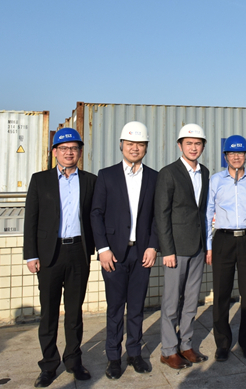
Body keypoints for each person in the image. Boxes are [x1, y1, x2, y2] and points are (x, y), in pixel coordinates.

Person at [23, 128, 97, 387]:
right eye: (64, 148)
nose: (69, 152)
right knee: (49, 313)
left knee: (74, 312)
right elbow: (31, 219)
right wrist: (31, 255)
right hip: (49, 254)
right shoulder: (40, 180)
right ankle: (48, 365)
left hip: (78, 252)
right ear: (54, 151)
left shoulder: (90, 181)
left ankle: (74, 361)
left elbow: (95, 217)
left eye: (74, 148)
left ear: (80, 152)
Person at [90, 121, 159, 379]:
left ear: (146, 147)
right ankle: (113, 357)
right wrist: (103, 249)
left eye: (140, 144)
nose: (134, 148)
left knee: (137, 308)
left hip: (142, 253)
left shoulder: (154, 177)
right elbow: (96, 214)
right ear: (121, 145)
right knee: (115, 308)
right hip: (114, 254)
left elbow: (157, 217)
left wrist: (153, 246)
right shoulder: (106, 175)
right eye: (130, 143)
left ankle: (134, 353)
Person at [206, 134, 246, 362]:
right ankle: (222, 344)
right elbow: (208, 213)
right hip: (222, 240)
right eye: (231, 153)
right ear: (225, 156)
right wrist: (208, 246)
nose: (236, 157)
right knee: (221, 294)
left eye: (240, 153)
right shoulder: (216, 180)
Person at [155, 123, 210, 370]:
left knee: (191, 301)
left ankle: (186, 345)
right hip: (176, 250)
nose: (193, 147)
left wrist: (207, 245)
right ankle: (168, 350)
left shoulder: (205, 172)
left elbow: (203, 211)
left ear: (203, 146)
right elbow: (162, 214)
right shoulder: (168, 173)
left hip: (198, 247)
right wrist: (167, 250)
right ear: (180, 145)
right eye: (189, 143)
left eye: (198, 143)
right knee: (171, 303)